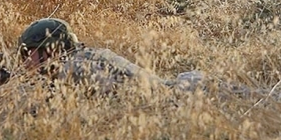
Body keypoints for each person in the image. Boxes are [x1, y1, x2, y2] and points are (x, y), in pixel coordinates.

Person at [18, 17, 205, 95]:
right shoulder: (84, 56)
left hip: (183, 94)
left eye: (29, 52)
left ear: (51, 50)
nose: (26, 61)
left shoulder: (74, 68)